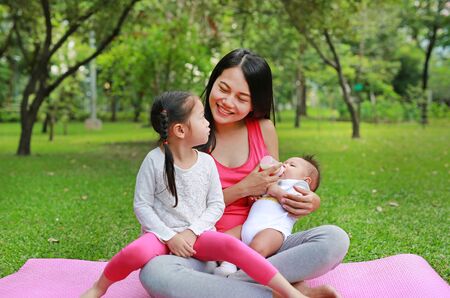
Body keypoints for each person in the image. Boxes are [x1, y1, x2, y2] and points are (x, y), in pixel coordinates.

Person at [140, 49, 350, 298]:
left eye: (242, 97)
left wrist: (310, 201)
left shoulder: (264, 130)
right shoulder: (186, 133)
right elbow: (174, 209)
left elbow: (280, 186)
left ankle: (236, 285)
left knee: (334, 239)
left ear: (255, 103)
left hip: (261, 245)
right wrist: (244, 188)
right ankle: (280, 291)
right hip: (202, 248)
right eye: (224, 88)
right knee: (155, 273)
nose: (228, 102)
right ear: (213, 81)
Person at [81, 91, 308, 298]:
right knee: (135, 251)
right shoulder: (153, 160)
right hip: (161, 237)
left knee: (234, 248)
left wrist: (192, 232)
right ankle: (98, 288)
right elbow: (142, 206)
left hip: (199, 235)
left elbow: (216, 205)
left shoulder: (206, 163)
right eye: (201, 117)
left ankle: (288, 292)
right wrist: (170, 237)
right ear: (180, 130)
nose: (208, 122)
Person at [215, 155, 322, 277]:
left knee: (258, 248)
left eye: (291, 165)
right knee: (223, 240)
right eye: (285, 162)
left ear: (306, 180)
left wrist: (275, 190)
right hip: (247, 226)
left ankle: (243, 274)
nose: (284, 165)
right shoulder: (274, 182)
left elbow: (296, 201)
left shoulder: (299, 187)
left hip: (272, 230)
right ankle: (228, 266)